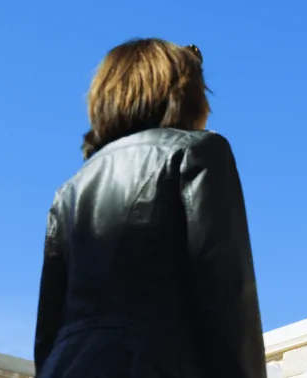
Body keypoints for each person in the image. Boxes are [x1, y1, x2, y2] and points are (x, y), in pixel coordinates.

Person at [34, 39, 267, 378]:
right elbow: (228, 299)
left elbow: (48, 330)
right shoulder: (199, 152)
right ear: (183, 94)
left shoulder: (67, 192)